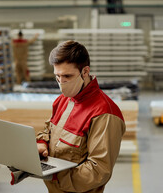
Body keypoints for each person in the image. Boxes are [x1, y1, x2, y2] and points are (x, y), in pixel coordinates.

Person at [36, 40, 126, 193]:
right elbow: (48, 129)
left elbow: (99, 171)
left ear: (85, 72)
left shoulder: (104, 113)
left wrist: (55, 176)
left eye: (67, 76)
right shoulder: (64, 99)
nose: (61, 83)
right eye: (57, 76)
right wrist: (42, 144)